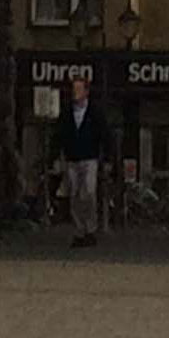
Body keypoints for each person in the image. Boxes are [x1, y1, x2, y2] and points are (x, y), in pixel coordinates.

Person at [55, 71, 104, 248]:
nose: (75, 92)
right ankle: (79, 231)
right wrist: (55, 155)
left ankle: (90, 228)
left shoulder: (95, 112)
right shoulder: (67, 111)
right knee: (75, 194)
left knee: (89, 192)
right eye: (73, 89)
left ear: (86, 91)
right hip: (72, 158)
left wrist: (107, 158)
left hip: (90, 157)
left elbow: (104, 134)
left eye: (78, 89)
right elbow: (59, 134)